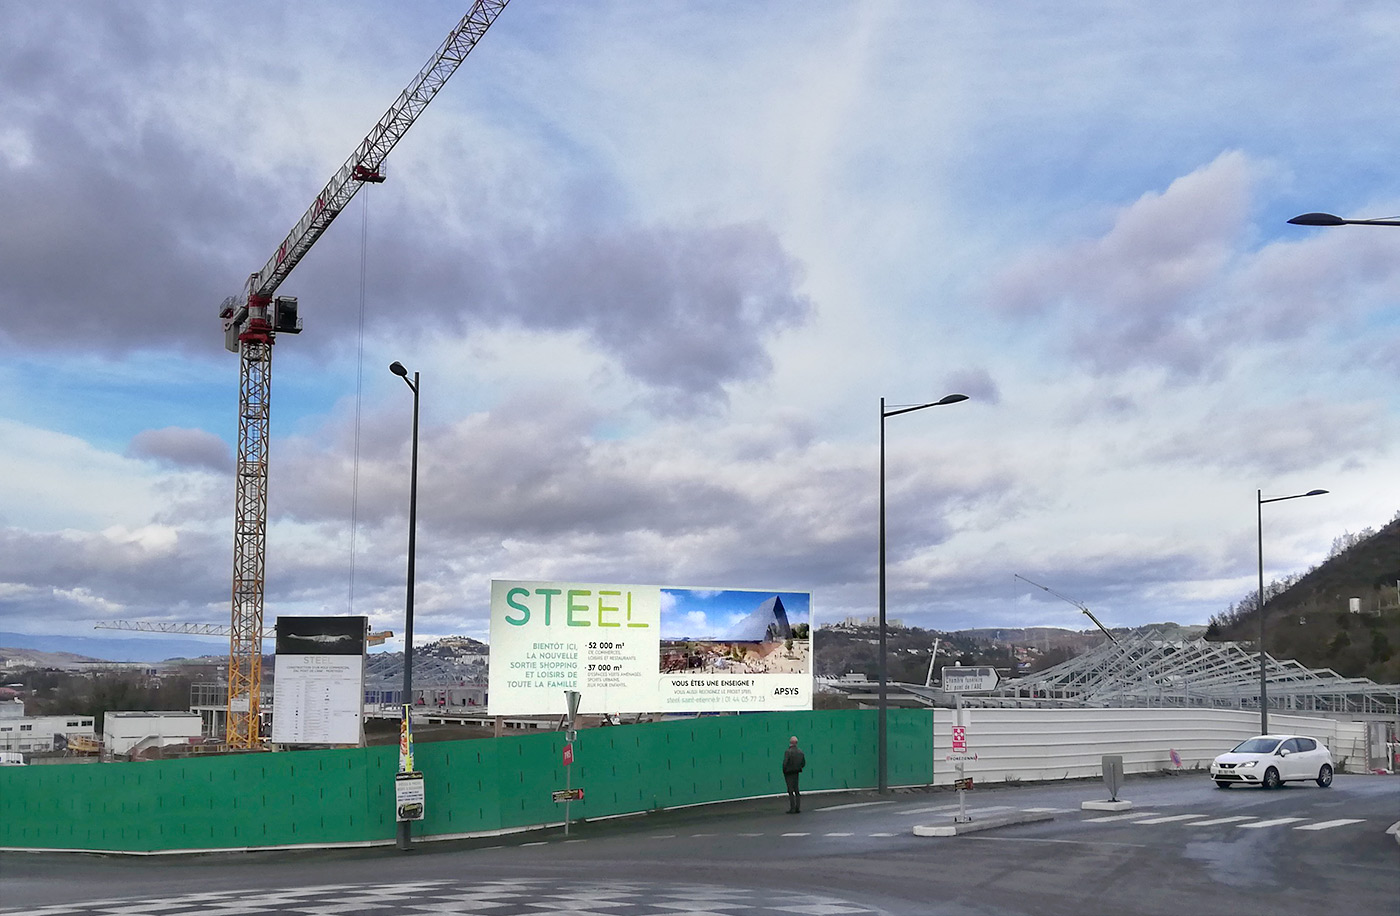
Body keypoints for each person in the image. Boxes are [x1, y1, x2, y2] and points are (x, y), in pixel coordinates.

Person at [781, 735, 805, 813]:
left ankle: (792, 808)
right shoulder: (800, 752)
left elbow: (785, 763)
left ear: (790, 742)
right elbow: (803, 763)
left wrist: (784, 770)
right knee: (796, 790)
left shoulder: (788, 752)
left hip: (788, 773)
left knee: (790, 790)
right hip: (796, 772)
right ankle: (798, 808)